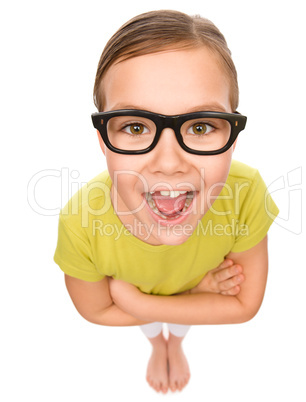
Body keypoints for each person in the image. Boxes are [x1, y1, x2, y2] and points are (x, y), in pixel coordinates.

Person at [54, 10, 279, 394]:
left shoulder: (245, 194)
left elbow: (244, 306)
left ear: (233, 134)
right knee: (156, 326)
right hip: (199, 291)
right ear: (103, 139)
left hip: (170, 293)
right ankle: (158, 343)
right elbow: (95, 312)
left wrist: (139, 301)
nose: (170, 163)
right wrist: (196, 297)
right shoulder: (81, 223)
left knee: (176, 325)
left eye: (201, 126)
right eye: (136, 127)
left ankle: (173, 342)